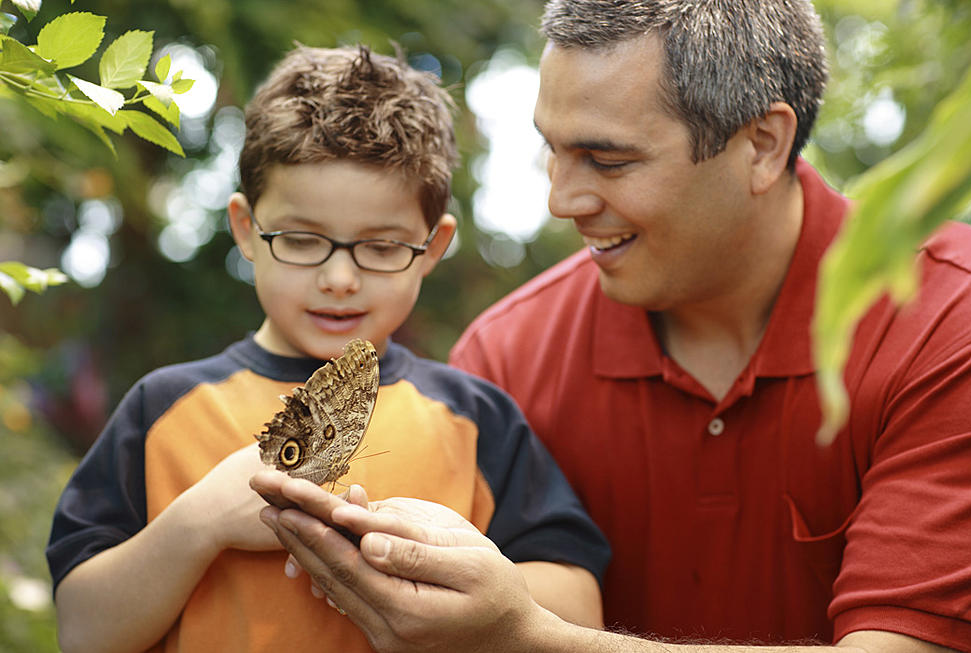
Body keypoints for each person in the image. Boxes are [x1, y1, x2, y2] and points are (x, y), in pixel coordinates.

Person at [254, 1, 971, 652]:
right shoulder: (507, 358)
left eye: (606, 159)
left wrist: (531, 638)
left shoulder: (950, 320)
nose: (561, 200)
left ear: (762, 144)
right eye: (554, 148)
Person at [45, 44, 609, 653]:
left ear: (433, 247)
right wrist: (200, 521)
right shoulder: (163, 409)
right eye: (301, 239)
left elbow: (579, 612)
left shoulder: (476, 419)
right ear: (246, 230)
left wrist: (451, 571)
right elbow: (82, 630)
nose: (340, 278)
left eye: (383, 245)